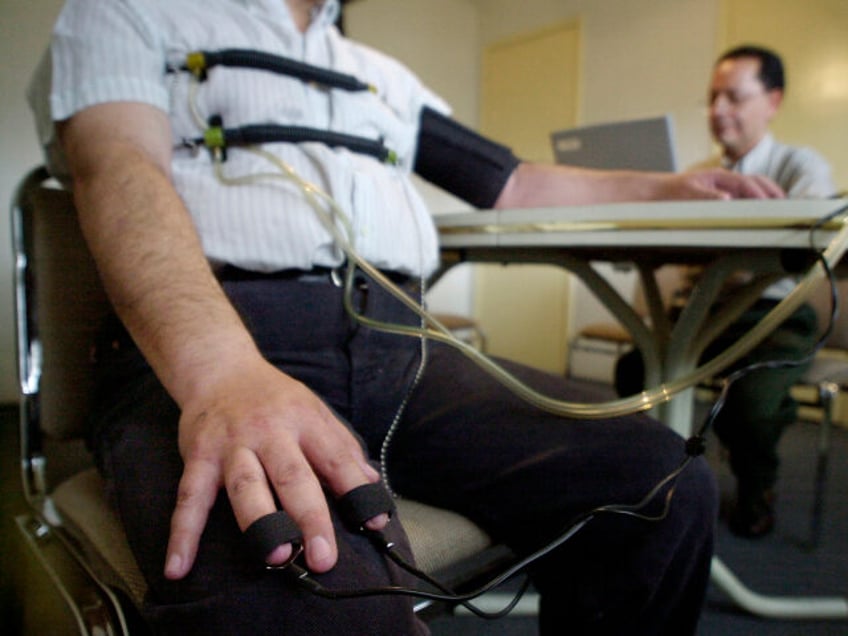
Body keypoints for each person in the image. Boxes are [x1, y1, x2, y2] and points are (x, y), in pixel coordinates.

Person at [28, 2, 783, 633]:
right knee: (325, 603)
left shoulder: (382, 81)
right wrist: (221, 370)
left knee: (663, 485)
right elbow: (118, 166)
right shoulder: (131, 10)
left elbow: (512, 183)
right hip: (217, 343)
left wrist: (666, 189)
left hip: (402, 347)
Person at [617, 45, 836, 539]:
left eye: (734, 98)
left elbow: (806, 246)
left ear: (773, 101)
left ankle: (757, 486)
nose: (718, 111)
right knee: (636, 371)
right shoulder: (700, 173)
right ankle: (658, 479)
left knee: (752, 402)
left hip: (774, 320)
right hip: (703, 315)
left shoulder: (802, 166)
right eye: (713, 97)